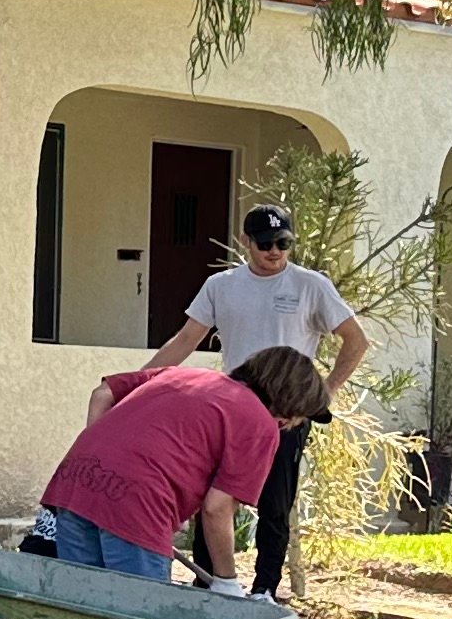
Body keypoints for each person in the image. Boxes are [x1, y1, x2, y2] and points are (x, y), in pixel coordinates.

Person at [139, 203, 368, 593]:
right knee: (212, 502)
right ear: (245, 242)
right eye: (265, 244)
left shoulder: (311, 285)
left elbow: (356, 340)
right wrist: (142, 386)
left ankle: (265, 591)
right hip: (229, 413)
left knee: (275, 508)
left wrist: (318, 399)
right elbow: (185, 340)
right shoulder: (221, 286)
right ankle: (208, 585)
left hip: (284, 416)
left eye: (283, 243)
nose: (274, 251)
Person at [39, 347, 337, 579]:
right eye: (297, 417)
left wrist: (105, 463)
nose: (290, 425)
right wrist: (226, 580)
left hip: (76, 484)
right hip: (137, 503)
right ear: (287, 403)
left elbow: (102, 394)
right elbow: (216, 508)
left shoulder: (182, 374)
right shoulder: (259, 422)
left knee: (86, 612)